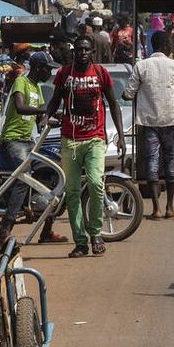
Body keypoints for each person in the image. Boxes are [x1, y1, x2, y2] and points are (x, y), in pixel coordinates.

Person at [45, 36, 126, 258]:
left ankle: (96, 234)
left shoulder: (101, 73)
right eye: (79, 49)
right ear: (74, 52)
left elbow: (114, 104)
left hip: (95, 139)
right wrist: (45, 116)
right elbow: (55, 99)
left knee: (95, 183)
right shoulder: (64, 73)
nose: (82, 53)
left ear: (92, 53)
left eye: (86, 50)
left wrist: (121, 136)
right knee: (71, 192)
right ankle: (80, 242)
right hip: (70, 140)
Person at [0, 52, 67, 243]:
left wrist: (57, 119)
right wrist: (47, 110)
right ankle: (6, 228)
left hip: (29, 142)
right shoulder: (22, 82)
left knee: (54, 177)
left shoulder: (37, 88)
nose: (49, 73)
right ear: (38, 68)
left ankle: (46, 230)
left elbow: (40, 119)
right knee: (24, 176)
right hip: (12, 141)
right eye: (47, 69)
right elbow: (20, 107)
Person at [124, 31, 174, 220]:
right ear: (166, 47)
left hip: (149, 122)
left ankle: (156, 209)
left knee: (152, 161)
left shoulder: (141, 66)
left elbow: (128, 93)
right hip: (170, 121)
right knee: (170, 160)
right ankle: (170, 207)